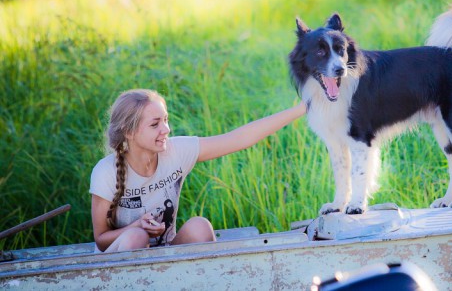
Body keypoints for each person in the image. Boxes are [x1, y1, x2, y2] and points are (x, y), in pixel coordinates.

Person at [90, 89, 306, 252]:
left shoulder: (176, 151)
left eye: (165, 120)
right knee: (135, 237)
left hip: (166, 254)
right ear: (129, 131)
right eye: (155, 124)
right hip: (122, 265)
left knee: (199, 227)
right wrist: (137, 226)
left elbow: (238, 139)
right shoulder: (106, 172)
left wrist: (306, 106)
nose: (166, 129)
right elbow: (101, 239)